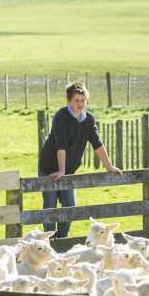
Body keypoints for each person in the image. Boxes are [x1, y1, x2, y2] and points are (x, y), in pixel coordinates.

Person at [38, 82, 121, 238]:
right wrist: (60, 171)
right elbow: (60, 144)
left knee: (70, 205)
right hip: (49, 166)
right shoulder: (61, 116)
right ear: (69, 100)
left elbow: (97, 143)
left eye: (83, 100)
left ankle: (62, 237)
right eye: (76, 100)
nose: (80, 104)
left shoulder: (88, 119)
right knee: (50, 205)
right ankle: (48, 239)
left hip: (68, 169)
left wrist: (109, 166)